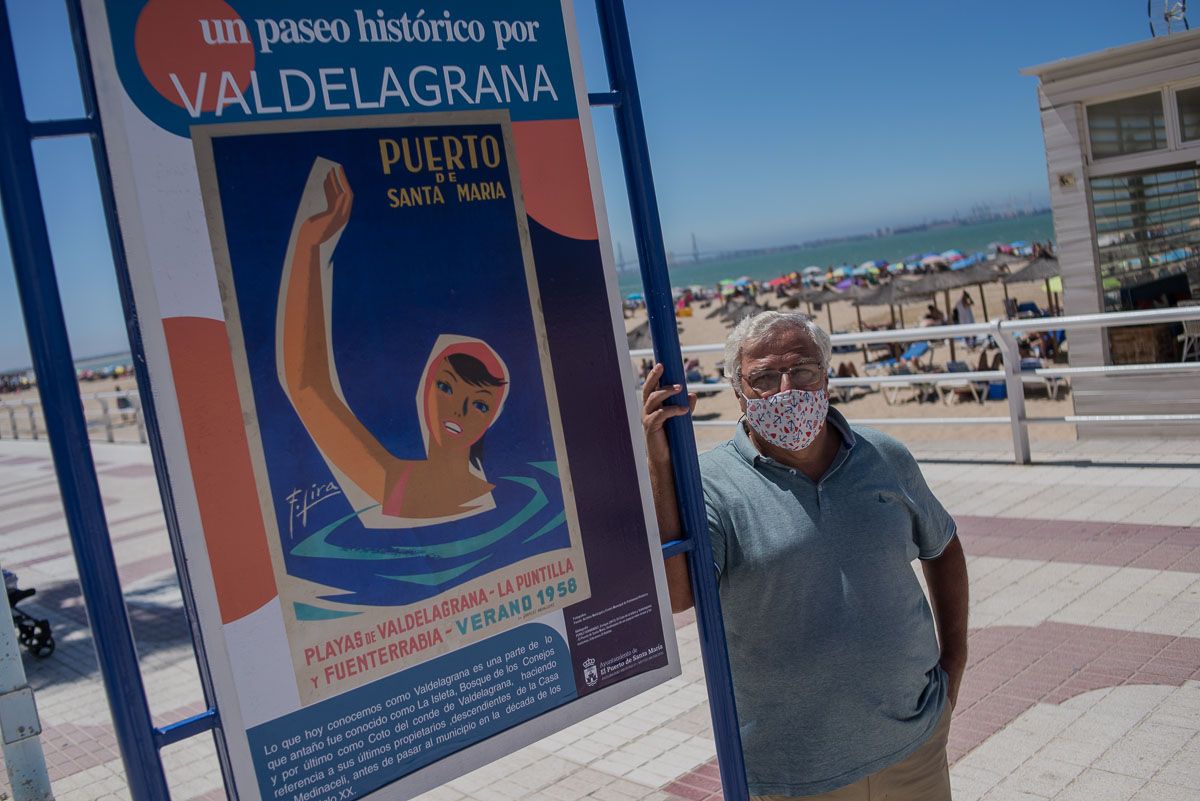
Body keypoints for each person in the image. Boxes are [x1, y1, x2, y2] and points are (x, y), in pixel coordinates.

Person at [641, 311, 968, 800]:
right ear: (738, 391)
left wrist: (954, 661)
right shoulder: (711, 485)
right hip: (795, 772)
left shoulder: (884, 457)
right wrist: (660, 464)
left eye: (802, 371)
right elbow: (678, 594)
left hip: (913, 744)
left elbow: (942, 547)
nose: (786, 390)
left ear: (827, 377)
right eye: (764, 378)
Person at [280, 166, 509, 525]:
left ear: (493, 416)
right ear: (423, 391)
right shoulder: (397, 486)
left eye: (480, 403)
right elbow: (306, 385)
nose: (458, 409)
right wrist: (310, 245)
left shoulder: (404, 489)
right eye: (446, 386)